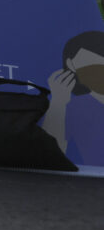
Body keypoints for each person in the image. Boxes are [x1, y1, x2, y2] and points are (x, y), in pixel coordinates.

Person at [43, 30, 104, 166]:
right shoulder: (73, 107)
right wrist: (58, 102)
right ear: (71, 65)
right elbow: (51, 154)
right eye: (92, 67)